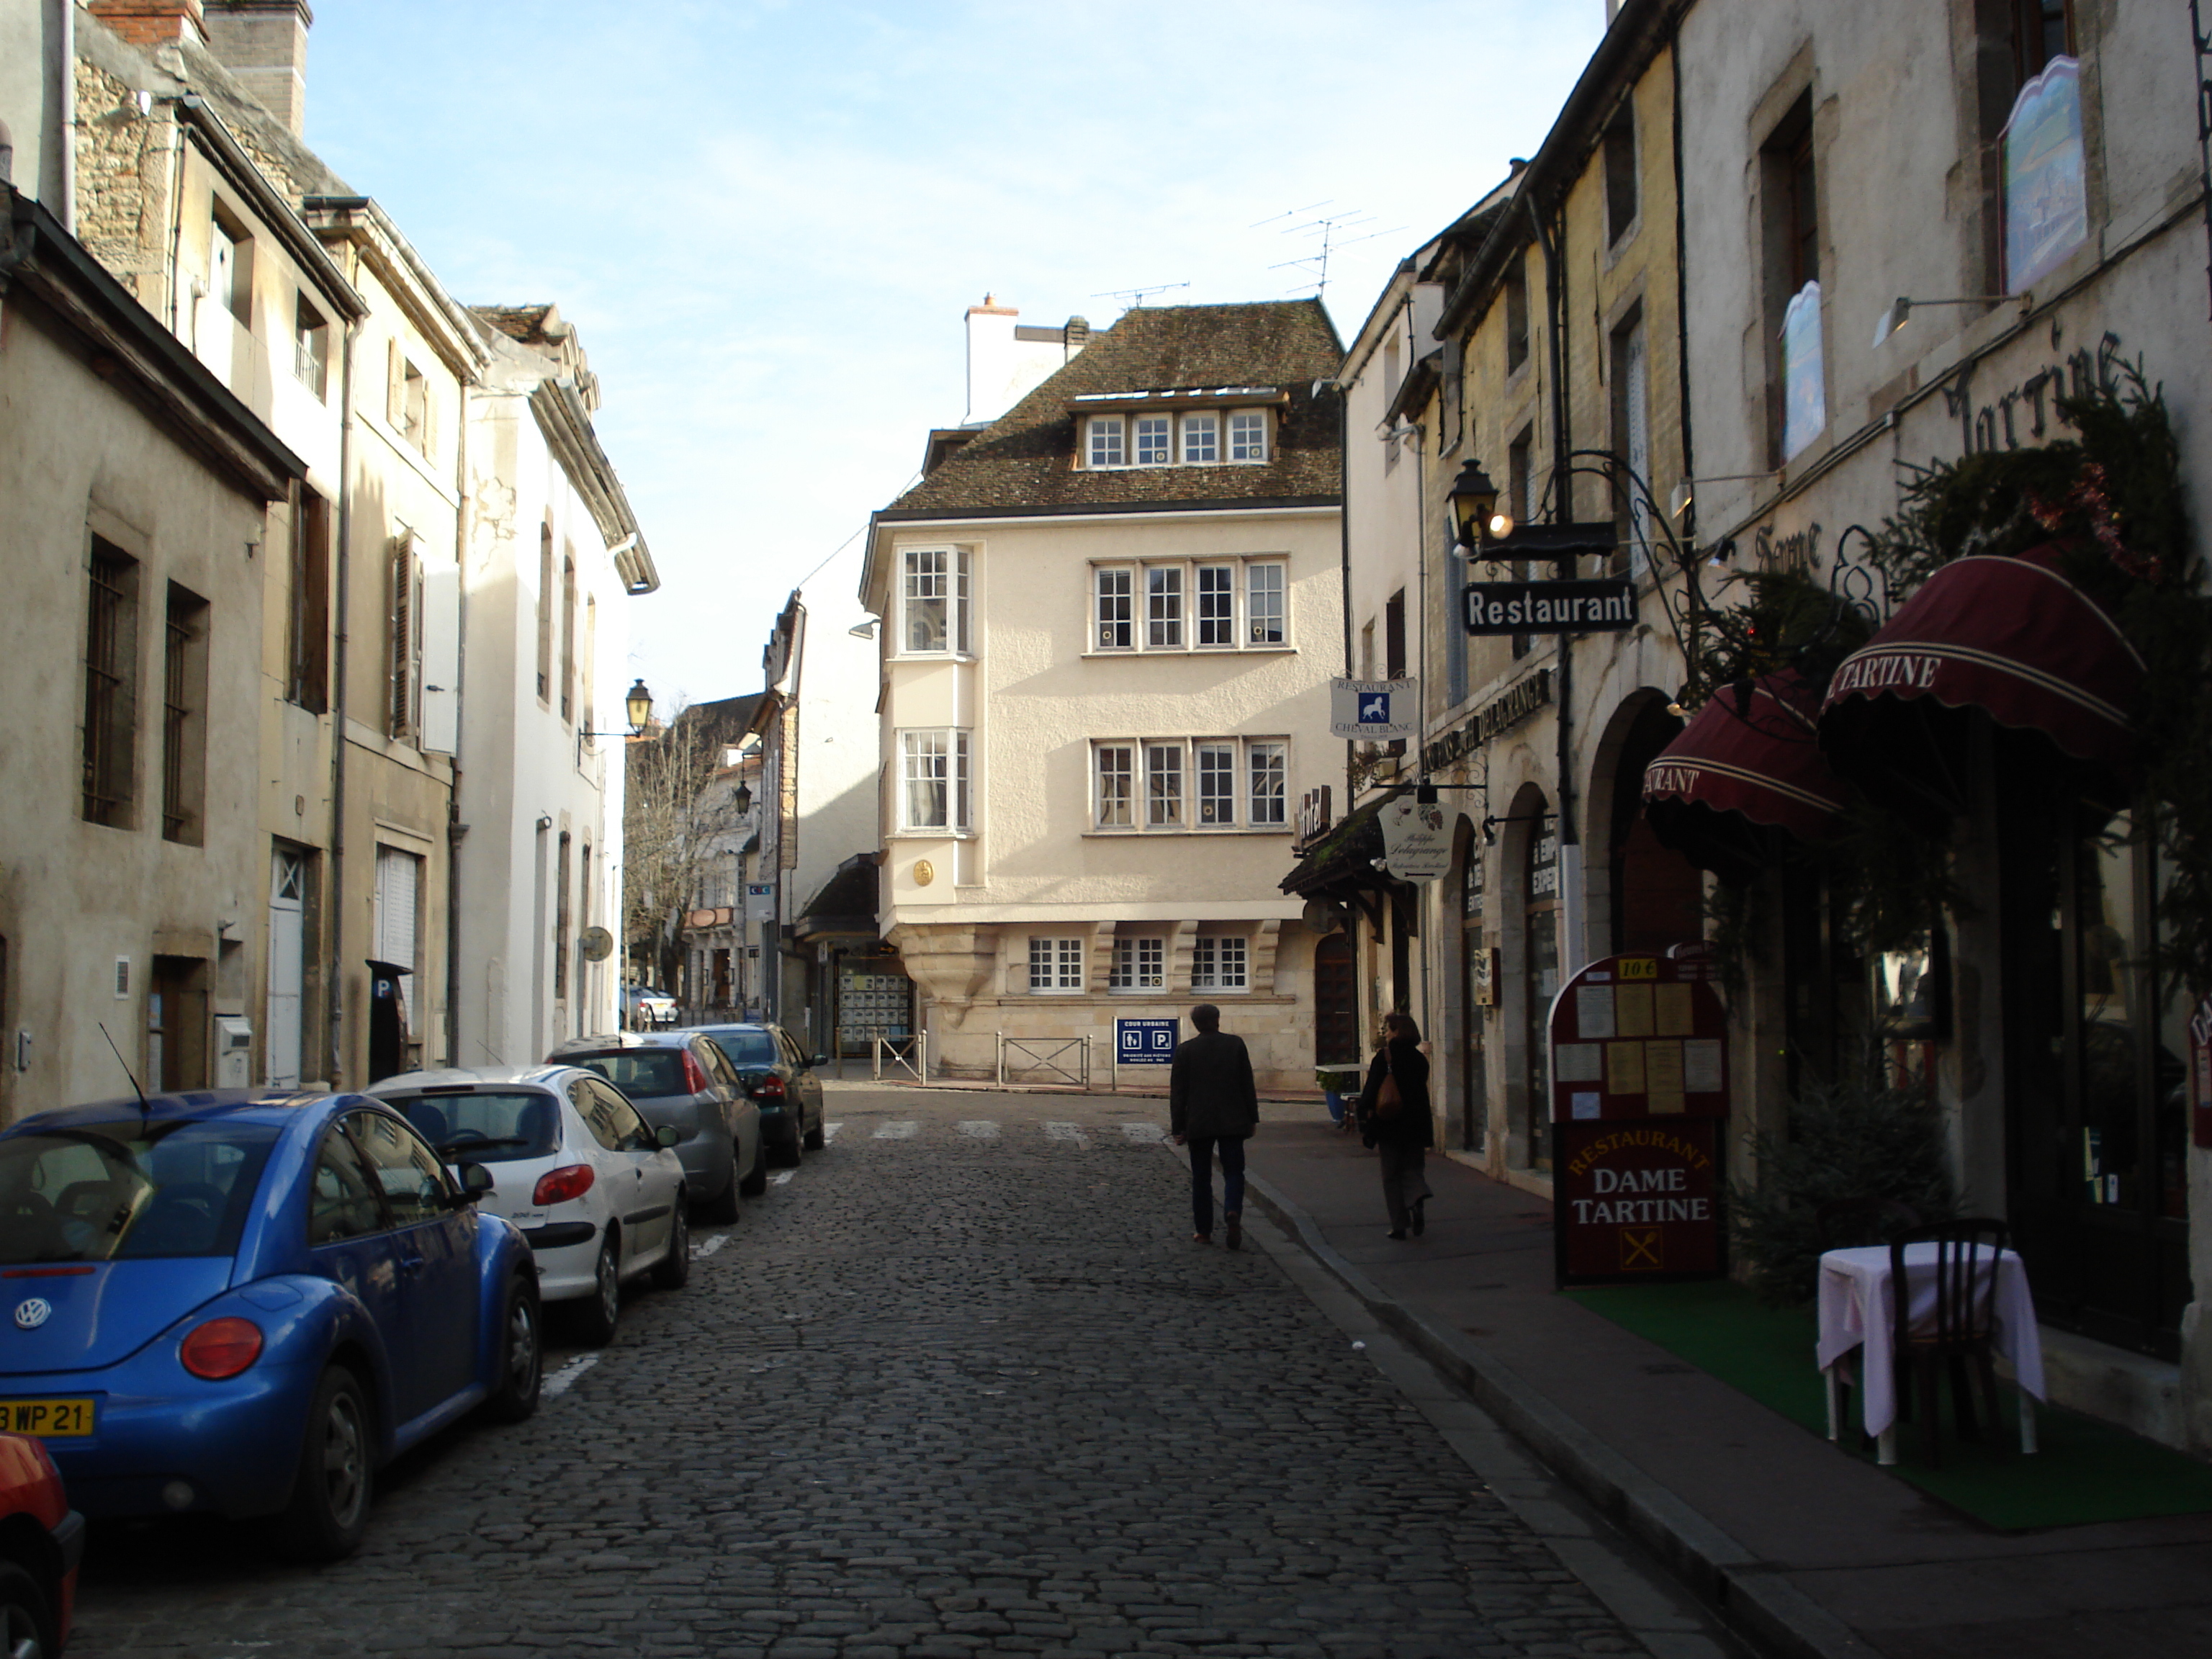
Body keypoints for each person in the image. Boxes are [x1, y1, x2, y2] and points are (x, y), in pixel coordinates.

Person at [1169, 1003, 1259, 1249]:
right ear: (1217, 1020)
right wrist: (1252, 1118)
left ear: (1195, 1024)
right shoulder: (1235, 1045)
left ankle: (1204, 1231)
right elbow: (1246, 1084)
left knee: (1201, 1178)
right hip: (1233, 1119)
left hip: (1199, 1121)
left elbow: (1178, 1093)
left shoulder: (1186, 1050)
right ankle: (1232, 1210)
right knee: (1233, 1172)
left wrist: (1178, 1127)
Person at [1356, 1012, 1433, 1239]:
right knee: (1413, 1167)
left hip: (1389, 1123)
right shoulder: (1420, 1060)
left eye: (1389, 1029)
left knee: (1391, 1173)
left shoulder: (1385, 1057)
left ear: (1397, 1031)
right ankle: (1417, 1195)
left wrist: (1364, 1117)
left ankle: (1399, 1225)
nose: (1386, 1033)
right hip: (1416, 1123)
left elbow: (1372, 1090)